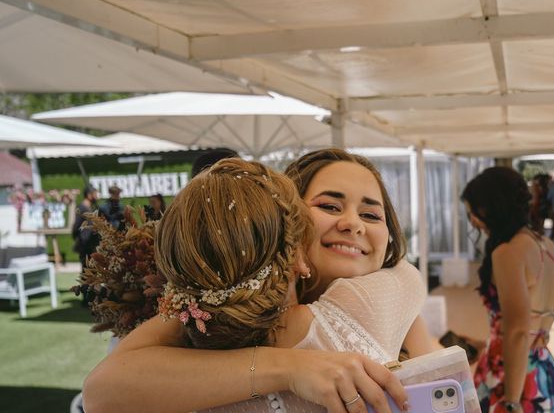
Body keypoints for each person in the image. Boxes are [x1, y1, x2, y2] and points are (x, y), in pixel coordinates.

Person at [83, 149, 432, 413]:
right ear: (289, 227)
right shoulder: (198, 338)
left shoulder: (395, 308)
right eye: (329, 206)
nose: (353, 224)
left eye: (371, 214)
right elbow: (104, 386)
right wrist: (290, 367)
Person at [462, 167, 554, 413]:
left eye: (472, 211)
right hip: (543, 367)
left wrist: (511, 403)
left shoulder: (508, 253)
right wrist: (486, 345)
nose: (472, 220)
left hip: (511, 377)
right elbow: (530, 325)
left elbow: (518, 332)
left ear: (490, 209)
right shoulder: (546, 246)